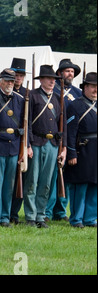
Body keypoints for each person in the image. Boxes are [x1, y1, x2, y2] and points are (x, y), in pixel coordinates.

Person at [23, 65, 66, 228]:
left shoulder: (58, 98)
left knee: (46, 183)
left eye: (54, 79)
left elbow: (63, 127)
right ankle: (30, 216)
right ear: (41, 79)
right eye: (49, 78)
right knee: (32, 182)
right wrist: (27, 145)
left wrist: (64, 148)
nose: (52, 81)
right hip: (36, 143)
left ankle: (41, 215)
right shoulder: (32, 96)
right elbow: (27, 123)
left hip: (53, 145)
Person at [0, 69, 27, 227]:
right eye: (7, 80)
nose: (10, 83)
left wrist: (24, 147)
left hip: (14, 147)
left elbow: (24, 125)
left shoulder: (20, 100)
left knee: (9, 185)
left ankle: (5, 217)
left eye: (12, 81)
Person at [45, 58, 83, 222]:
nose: (70, 74)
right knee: (52, 176)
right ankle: (47, 211)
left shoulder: (78, 93)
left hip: (72, 139)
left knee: (66, 178)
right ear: (60, 73)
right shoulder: (52, 91)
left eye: (72, 71)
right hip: (54, 137)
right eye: (67, 71)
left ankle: (61, 211)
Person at [64, 72, 97, 228]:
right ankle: (76, 219)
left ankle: (90, 218)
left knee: (94, 186)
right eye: (92, 86)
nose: (95, 89)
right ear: (85, 88)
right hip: (82, 150)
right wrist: (71, 152)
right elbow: (70, 132)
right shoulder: (75, 105)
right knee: (80, 186)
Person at [9, 57, 28, 224]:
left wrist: (27, 145)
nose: (18, 78)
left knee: (20, 180)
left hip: (22, 142)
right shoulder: (3, 92)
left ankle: (14, 214)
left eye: (21, 75)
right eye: (15, 74)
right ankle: (4, 212)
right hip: (7, 142)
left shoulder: (28, 95)